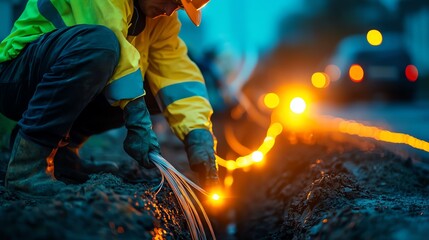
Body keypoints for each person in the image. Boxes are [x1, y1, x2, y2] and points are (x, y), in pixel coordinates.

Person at [0, 0, 218, 196]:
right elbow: (113, 45)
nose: (170, 11)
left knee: (157, 89)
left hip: (68, 76)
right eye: (172, 0)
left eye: (179, 7)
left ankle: (61, 154)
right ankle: (25, 169)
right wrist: (138, 120)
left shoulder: (161, 21)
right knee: (101, 45)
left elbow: (176, 74)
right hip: (18, 77)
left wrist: (197, 134)